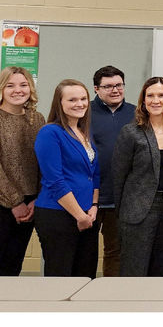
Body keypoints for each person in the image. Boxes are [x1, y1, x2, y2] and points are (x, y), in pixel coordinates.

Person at [113, 77, 163, 277]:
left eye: (161, 95)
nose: (156, 100)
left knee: (161, 264)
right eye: (150, 96)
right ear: (143, 100)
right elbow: (119, 175)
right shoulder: (131, 132)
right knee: (135, 266)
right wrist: (121, 214)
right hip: (138, 208)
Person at [0, 67, 45, 276]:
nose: (18, 90)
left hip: (29, 203)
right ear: (1, 89)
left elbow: (43, 163)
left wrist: (37, 199)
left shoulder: (37, 119)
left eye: (23, 85)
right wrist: (15, 202)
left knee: (12, 267)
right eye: (10, 85)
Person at [33, 79, 100, 277]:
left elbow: (94, 174)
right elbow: (55, 180)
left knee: (85, 277)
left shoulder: (83, 132)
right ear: (59, 103)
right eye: (72, 99)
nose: (79, 104)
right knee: (60, 278)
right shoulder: (50, 132)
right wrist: (79, 215)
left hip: (88, 215)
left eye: (83, 98)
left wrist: (93, 207)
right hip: (58, 215)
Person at [90, 65, 135, 277]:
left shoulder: (137, 113)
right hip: (87, 196)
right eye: (108, 86)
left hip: (120, 198)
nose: (115, 90)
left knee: (115, 252)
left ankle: (108, 297)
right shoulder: (84, 111)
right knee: (84, 251)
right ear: (96, 89)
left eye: (119, 85)